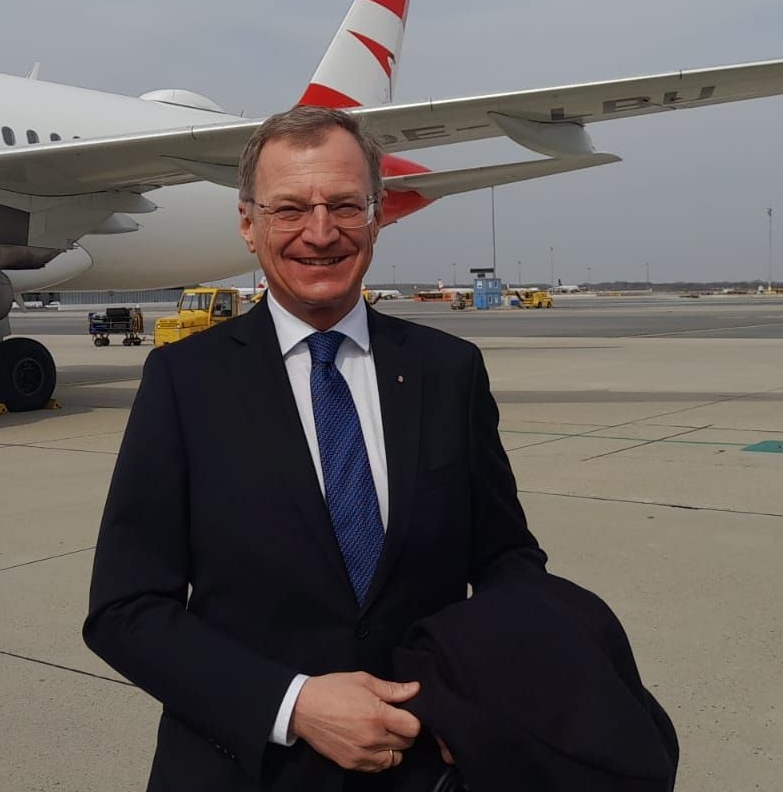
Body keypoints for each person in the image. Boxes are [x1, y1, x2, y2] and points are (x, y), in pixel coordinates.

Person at [83, 106, 547, 791]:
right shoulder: (185, 381)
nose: (320, 233)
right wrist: (294, 703)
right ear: (250, 224)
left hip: (425, 766)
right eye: (291, 209)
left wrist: (482, 689)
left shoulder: (448, 372)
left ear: (379, 214)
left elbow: (508, 558)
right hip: (245, 766)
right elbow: (126, 610)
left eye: (344, 206)